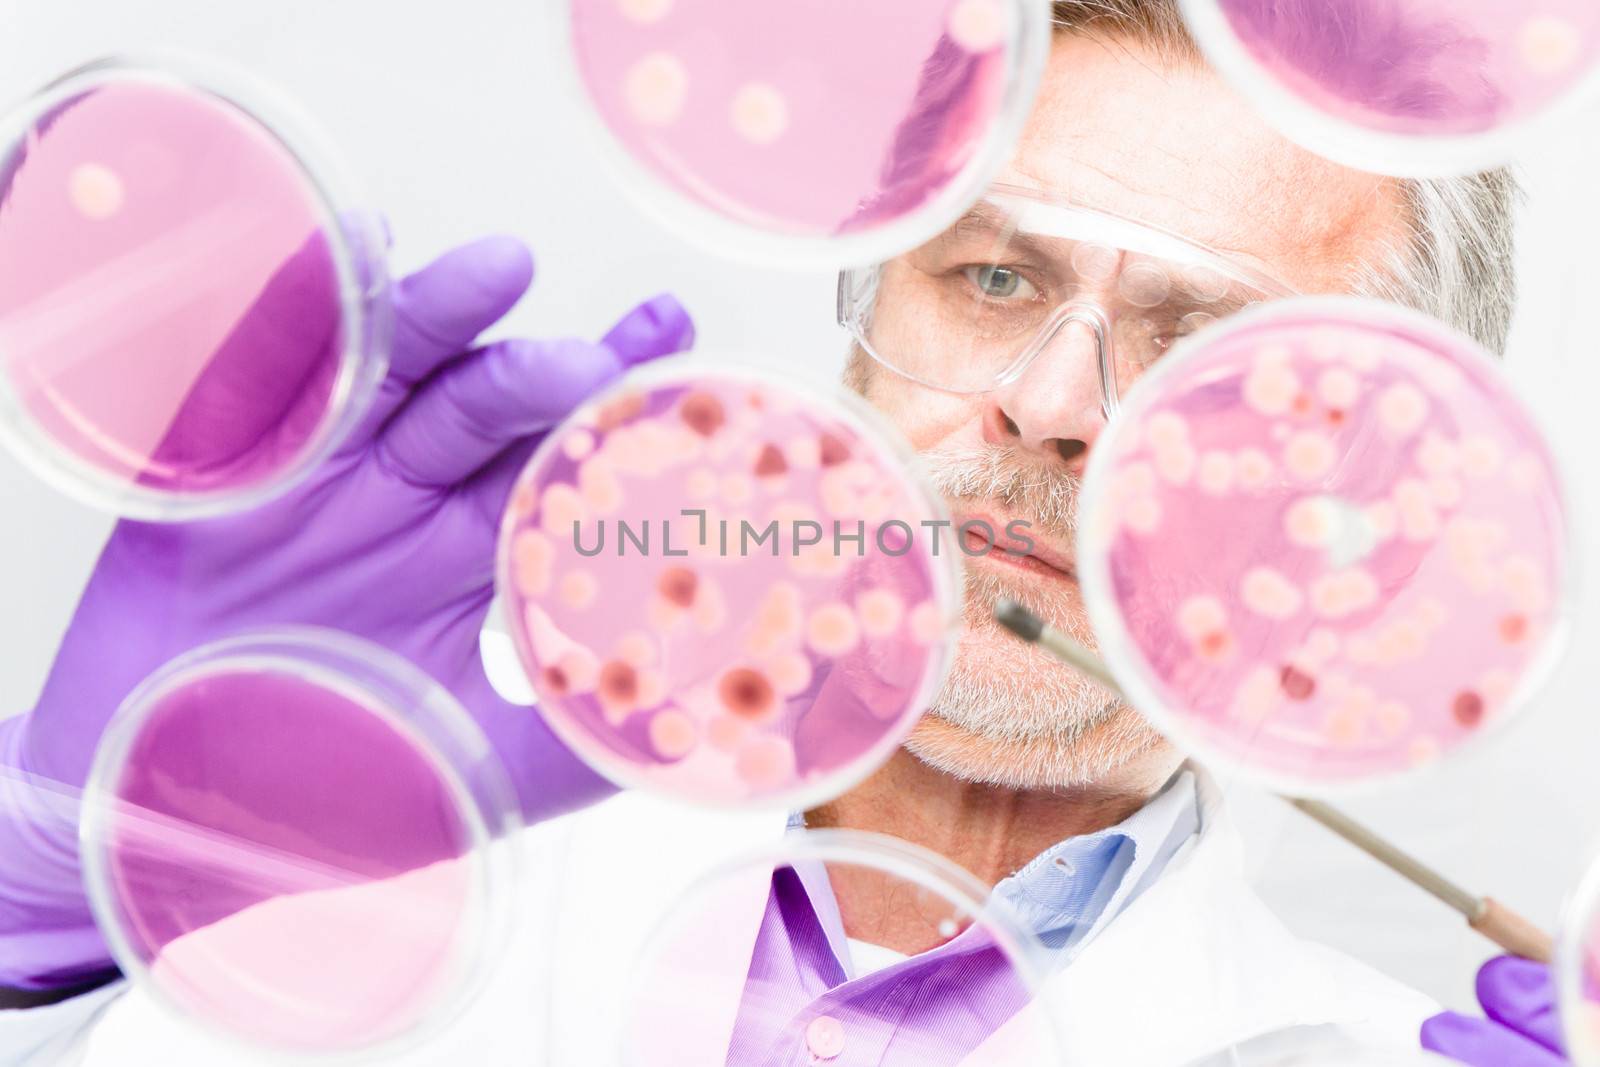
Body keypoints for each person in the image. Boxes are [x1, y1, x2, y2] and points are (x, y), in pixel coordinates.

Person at [0, 1, 1550, 1064]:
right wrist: (52, 906)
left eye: (1208, 359)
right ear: (863, 312)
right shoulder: (369, 870)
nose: (1051, 404)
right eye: (993, 280)